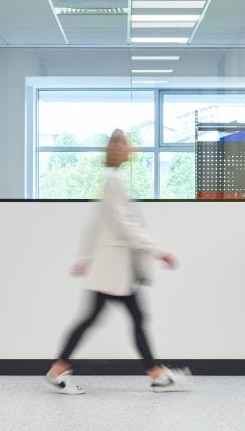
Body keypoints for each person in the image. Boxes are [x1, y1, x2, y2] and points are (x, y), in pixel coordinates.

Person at [45, 129, 192, 395]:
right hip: (113, 269)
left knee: (111, 318)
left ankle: (154, 372)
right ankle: (156, 374)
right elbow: (124, 226)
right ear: (117, 149)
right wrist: (158, 250)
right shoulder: (113, 181)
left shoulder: (114, 180)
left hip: (114, 268)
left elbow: (96, 224)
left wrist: (85, 256)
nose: (130, 148)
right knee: (122, 318)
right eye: (125, 143)